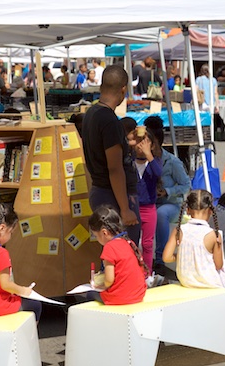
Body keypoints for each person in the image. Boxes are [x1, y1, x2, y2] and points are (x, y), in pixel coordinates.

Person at [82, 65, 141, 246]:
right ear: (123, 89)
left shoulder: (91, 113)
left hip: (101, 192)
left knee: (110, 254)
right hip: (113, 196)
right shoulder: (109, 121)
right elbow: (115, 168)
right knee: (123, 253)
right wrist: (125, 209)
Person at [162, 189, 225, 298]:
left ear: (187, 210)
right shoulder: (213, 235)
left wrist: (182, 255)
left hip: (186, 279)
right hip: (207, 281)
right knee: (221, 261)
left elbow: (166, 258)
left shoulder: (179, 230)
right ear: (211, 211)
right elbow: (219, 265)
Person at [143, 115, 191, 274]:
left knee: (160, 213)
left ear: (156, 142)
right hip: (149, 202)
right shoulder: (142, 160)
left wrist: (167, 191)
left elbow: (186, 185)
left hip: (171, 205)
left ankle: (161, 256)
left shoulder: (172, 161)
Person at [87, 206, 147, 305]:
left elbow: (109, 280)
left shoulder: (109, 248)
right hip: (139, 294)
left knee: (90, 294)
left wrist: (101, 285)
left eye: (96, 236)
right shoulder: (129, 242)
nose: (97, 239)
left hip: (121, 298)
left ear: (104, 233)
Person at [133, 128, 162, 274]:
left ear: (152, 145)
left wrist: (148, 155)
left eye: (145, 142)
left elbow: (158, 173)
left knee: (147, 243)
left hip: (149, 208)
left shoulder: (153, 162)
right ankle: (134, 271)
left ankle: (147, 273)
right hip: (132, 208)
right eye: (138, 141)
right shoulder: (130, 162)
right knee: (132, 242)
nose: (141, 146)